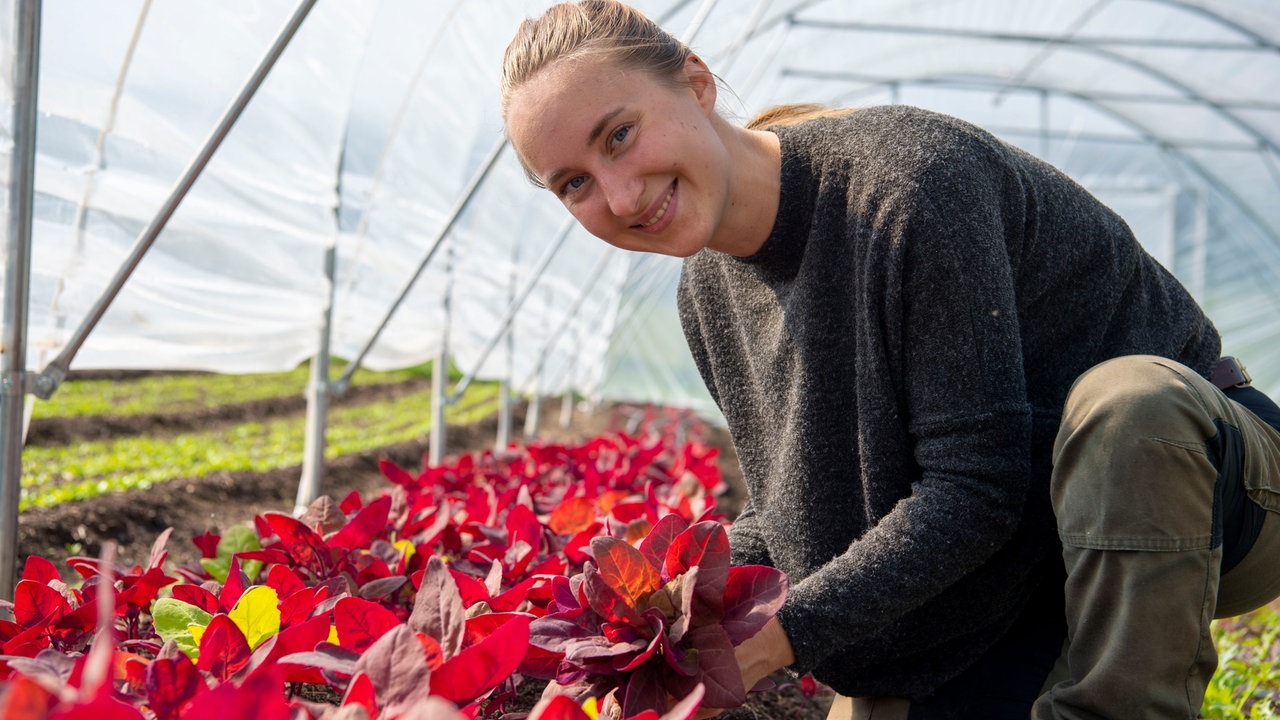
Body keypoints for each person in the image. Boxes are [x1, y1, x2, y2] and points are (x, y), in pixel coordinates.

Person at [499, 2, 1280, 718]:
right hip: (1028, 560)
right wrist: (677, 600)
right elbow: (792, 513)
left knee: (1127, 405)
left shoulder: (908, 185)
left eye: (620, 134)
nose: (621, 194)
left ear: (697, 84)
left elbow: (975, 489)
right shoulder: (707, 291)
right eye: (574, 183)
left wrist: (779, 637)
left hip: (1201, 493)